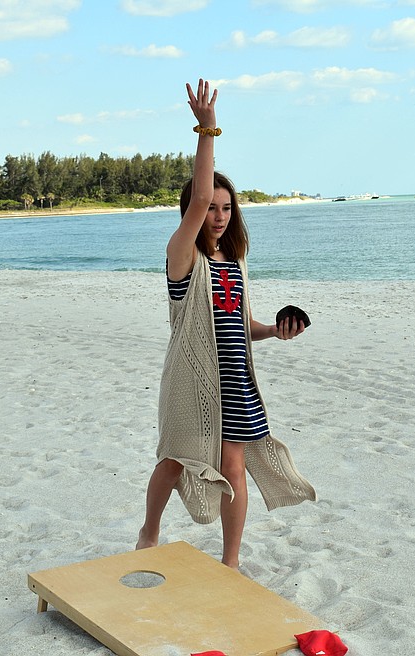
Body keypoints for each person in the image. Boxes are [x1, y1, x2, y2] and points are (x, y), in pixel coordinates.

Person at [137, 79, 316, 569]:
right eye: (209, 207)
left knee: (234, 466)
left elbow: (243, 325)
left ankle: (230, 562)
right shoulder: (182, 257)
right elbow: (195, 199)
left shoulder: (232, 261)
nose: (217, 214)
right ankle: (148, 532)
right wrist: (206, 131)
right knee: (175, 461)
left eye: (224, 206)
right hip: (192, 381)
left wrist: (274, 331)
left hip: (237, 380)